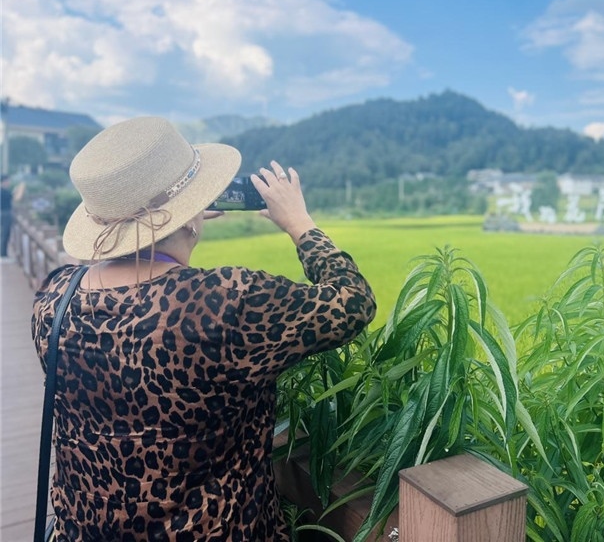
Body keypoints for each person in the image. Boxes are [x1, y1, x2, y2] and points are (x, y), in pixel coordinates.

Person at [31, 116, 376, 541]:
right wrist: (300, 223)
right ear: (191, 215)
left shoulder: (54, 298)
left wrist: (178, 216)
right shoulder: (225, 302)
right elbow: (353, 301)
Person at [1, 174, 13, 258]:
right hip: (5, 213)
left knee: (5, 233)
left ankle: (3, 253)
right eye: (8, 181)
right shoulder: (3, 191)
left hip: (5, 213)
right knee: (4, 233)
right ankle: (3, 254)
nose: (9, 182)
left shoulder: (4, 191)